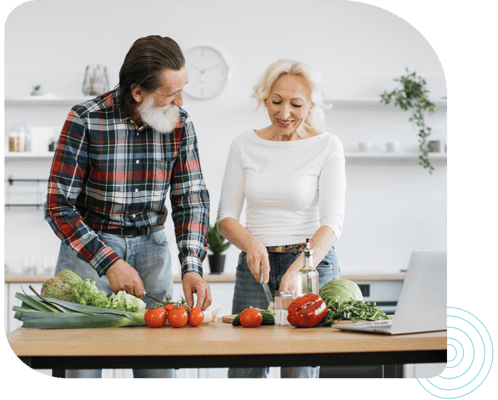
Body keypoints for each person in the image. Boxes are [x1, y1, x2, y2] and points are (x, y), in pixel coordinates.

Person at [45, 35, 211, 379]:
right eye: (170, 94)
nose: (180, 101)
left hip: (152, 249)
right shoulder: (85, 119)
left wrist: (192, 265)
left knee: (159, 370)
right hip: (89, 254)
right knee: (82, 370)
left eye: (184, 88)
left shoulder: (180, 123)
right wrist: (110, 262)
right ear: (138, 93)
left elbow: (191, 199)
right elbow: (58, 206)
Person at [217, 59, 346, 379]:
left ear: (312, 104)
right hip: (254, 266)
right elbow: (225, 217)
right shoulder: (244, 144)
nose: (284, 113)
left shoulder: (327, 146)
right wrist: (251, 243)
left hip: (309, 266)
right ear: (264, 98)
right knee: (244, 371)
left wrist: (301, 267)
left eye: (296, 104)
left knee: (298, 373)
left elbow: (332, 222)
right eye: (276, 102)